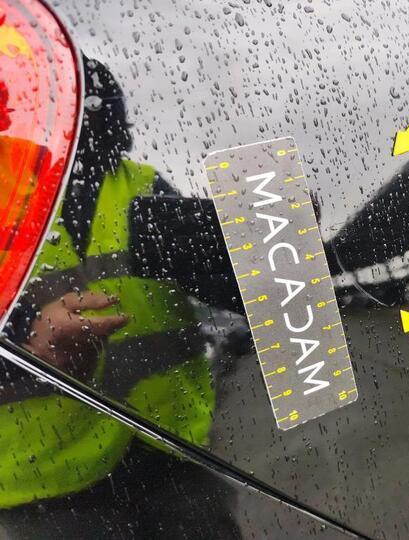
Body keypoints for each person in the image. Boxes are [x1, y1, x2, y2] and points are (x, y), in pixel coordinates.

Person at [0, 56, 227, 513]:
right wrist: (24, 338)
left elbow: (221, 288)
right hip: (46, 490)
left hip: (174, 451)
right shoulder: (11, 197)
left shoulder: (144, 185)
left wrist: (262, 239)